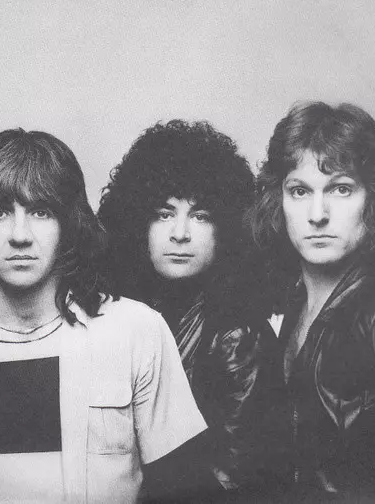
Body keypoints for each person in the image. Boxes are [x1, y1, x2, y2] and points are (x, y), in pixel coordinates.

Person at [0, 128, 207, 504]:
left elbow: (185, 489)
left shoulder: (136, 333)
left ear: (69, 225)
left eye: (40, 212)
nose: (20, 235)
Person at [98, 120, 279, 499]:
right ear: (137, 224)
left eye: (201, 216)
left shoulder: (238, 337)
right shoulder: (125, 318)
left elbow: (236, 481)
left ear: (227, 229)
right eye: (164, 214)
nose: (180, 233)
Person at [250, 101, 375, 502]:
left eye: (341, 189)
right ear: (278, 201)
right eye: (299, 191)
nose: (317, 214)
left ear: (373, 199)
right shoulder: (285, 305)